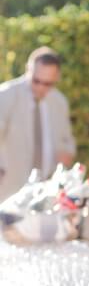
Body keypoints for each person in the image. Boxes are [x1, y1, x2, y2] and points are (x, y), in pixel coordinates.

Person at [0, 48, 75, 203]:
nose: (41, 87)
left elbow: (67, 141)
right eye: (36, 80)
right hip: (10, 187)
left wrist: (66, 154)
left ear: (57, 77)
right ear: (28, 69)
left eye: (47, 83)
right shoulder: (6, 95)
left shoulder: (60, 102)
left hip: (46, 189)